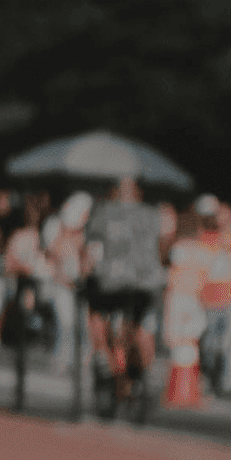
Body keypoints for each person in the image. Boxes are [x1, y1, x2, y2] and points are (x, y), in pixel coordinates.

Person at [81, 174, 166, 408]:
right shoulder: (151, 215)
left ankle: (104, 359)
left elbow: (91, 249)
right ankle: (142, 374)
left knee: (97, 316)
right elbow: (162, 246)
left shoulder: (103, 213)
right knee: (139, 328)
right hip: (144, 283)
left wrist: (86, 272)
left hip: (110, 281)